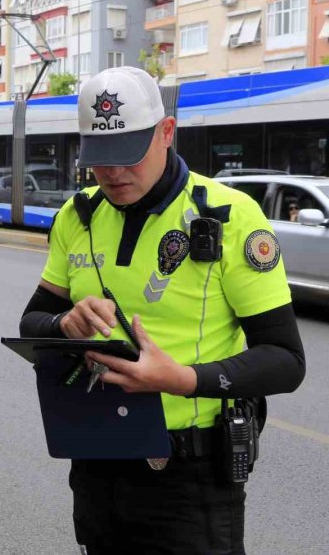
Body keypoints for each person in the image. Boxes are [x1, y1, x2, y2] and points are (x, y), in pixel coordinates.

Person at [19, 67, 306, 554]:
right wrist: (64, 324)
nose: (113, 173)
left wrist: (181, 379)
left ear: (166, 132)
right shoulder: (79, 214)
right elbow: (31, 323)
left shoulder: (230, 217)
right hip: (97, 460)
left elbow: (285, 359)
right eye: (100, 158)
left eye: (128, 154)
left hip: (188, 478)